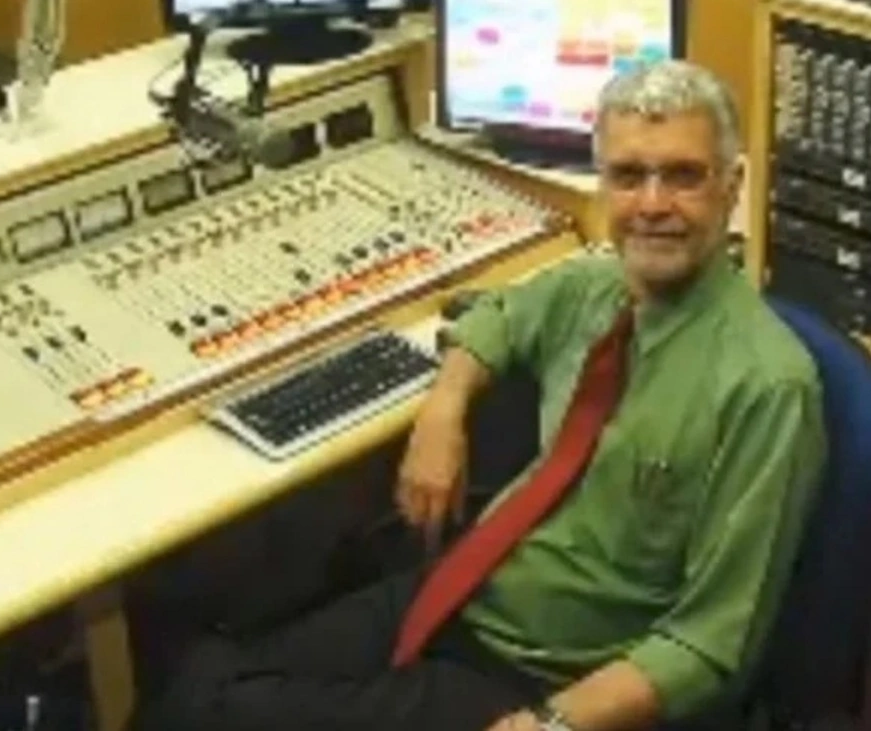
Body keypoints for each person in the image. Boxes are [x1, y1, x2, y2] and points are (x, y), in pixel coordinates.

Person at [129, 59, 827, 731]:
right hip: (467, 590)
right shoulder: (594, 285)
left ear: (733, 184)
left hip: (552, 674)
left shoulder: (768, 386)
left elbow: (710, 645)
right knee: (197, 680)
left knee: (219, 712)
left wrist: (552, 724)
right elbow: (496, 318)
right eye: (627, 176)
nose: (651, 204)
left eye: (682, 176)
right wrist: (445, 406)